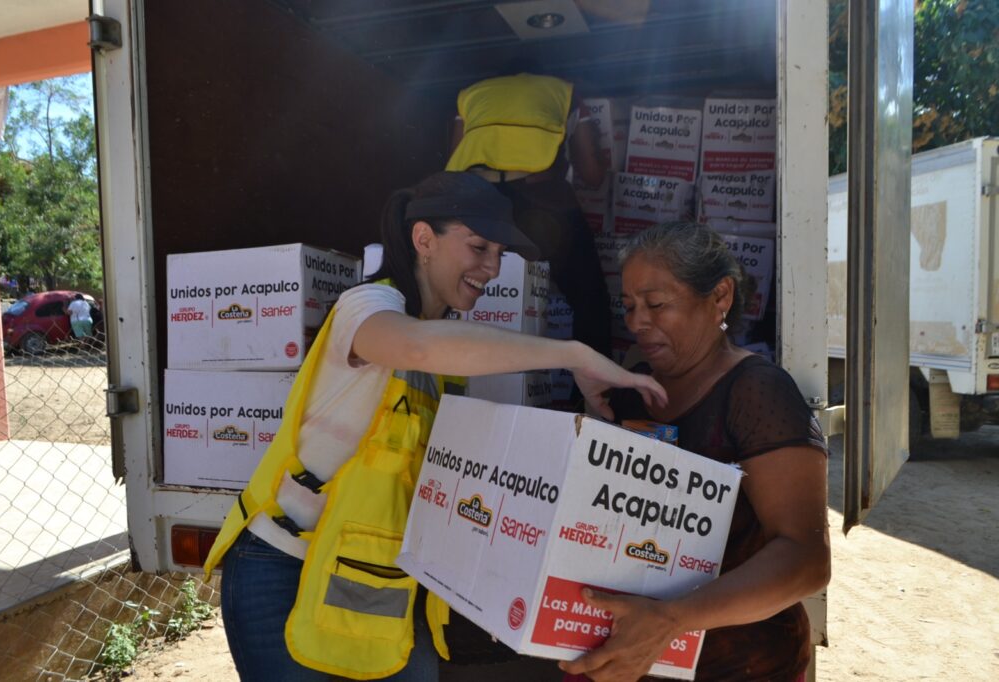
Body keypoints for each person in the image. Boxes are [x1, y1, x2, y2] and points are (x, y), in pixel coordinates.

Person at [202, 171, 667, 682]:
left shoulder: (449, 348)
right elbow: (418, 345)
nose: (491, 267)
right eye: (478, 246)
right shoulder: (368, 308)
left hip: (378, 575)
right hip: (283, 568)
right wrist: (575, 353)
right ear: (424, 240)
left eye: (499, 253)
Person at [558, 222, 831, 682]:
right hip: (628, 660)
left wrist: (672, 619)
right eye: (628, 306)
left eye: (657, 304)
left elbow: (806, 560)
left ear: (720, 296)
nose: (637, 322)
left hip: (739, 665)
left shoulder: (757, 392)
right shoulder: (632, 388)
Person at [446, 72, 612, 360]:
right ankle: (596, 395)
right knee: (589, 296)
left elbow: (455, 163)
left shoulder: (469, 96)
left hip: (480, 202)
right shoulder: (566, 92)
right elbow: (592, 174)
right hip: (541, 202)